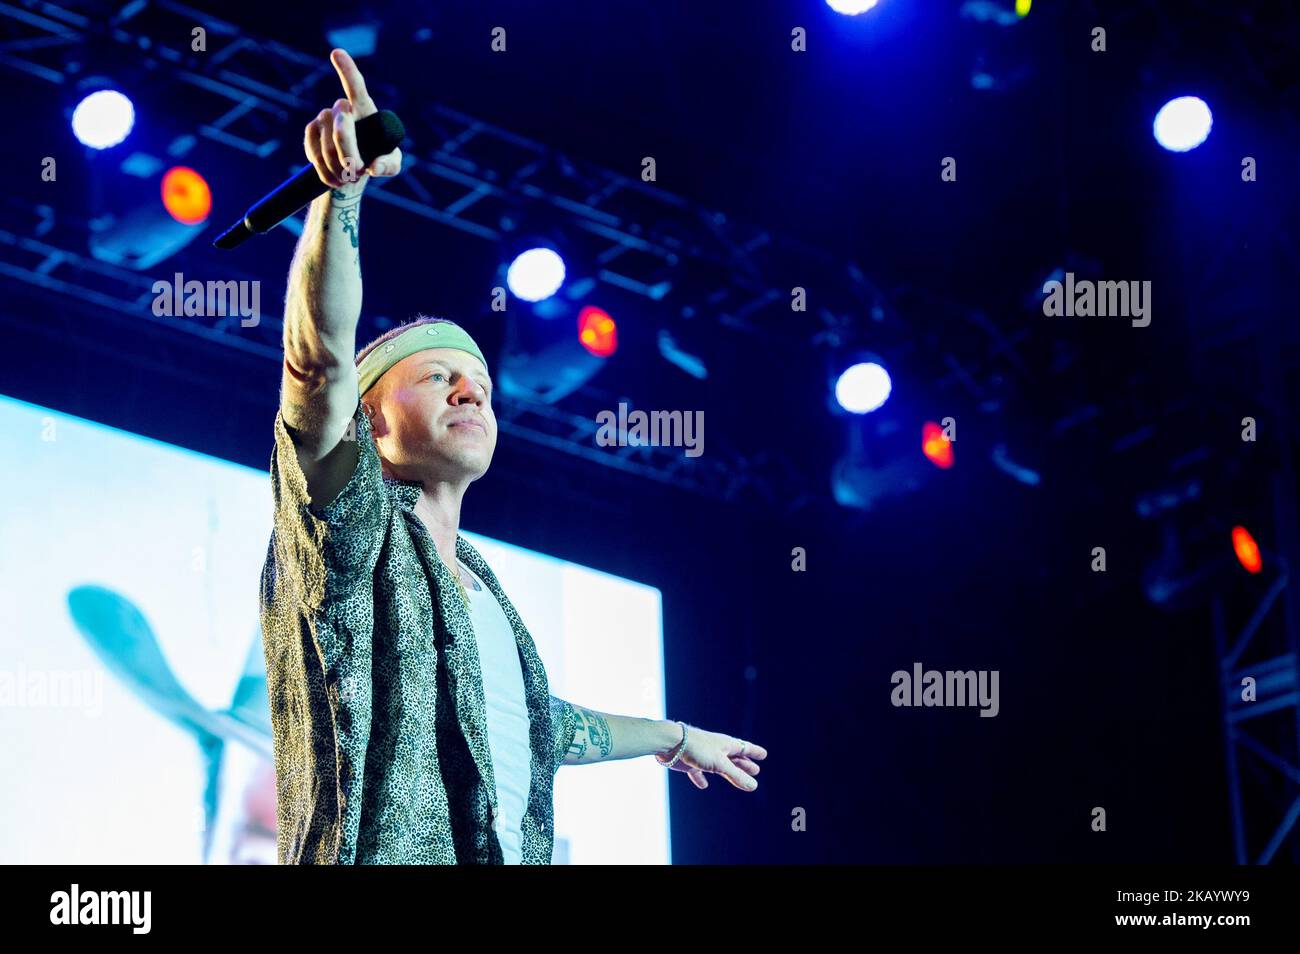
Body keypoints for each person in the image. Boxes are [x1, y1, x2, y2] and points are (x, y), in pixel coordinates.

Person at [257, 49, 766, 865]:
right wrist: (341, 193)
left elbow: (541, 723)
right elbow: (316, 365)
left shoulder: (483, 589)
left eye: (481, 383)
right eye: (436, 377)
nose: (470, 393)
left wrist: (675, 738)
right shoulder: (349, 526)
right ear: (369, 419)